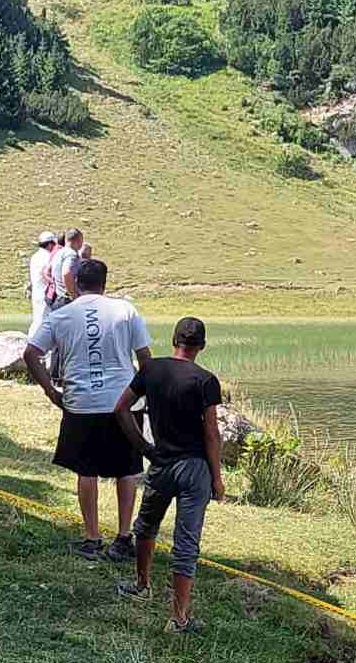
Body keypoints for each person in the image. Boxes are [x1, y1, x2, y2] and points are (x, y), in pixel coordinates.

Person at [24, 257, 152, 561]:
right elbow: (145, 358)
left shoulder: (62, 315)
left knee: (86, 469)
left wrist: (50, 391)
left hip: (81, 403)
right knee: (127, 469)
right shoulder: (125, 310)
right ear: (104, 284)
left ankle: (92, 538)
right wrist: (143, 394)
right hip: (123, 401)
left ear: (77, 284)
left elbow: (31, 353)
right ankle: (123, 538)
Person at [113, 317, 223, 635]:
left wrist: (145, 448)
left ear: (173, 341)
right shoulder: (206, 380)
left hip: (160, 463)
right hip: (194, 469)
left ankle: (142, 584)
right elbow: (212, 434)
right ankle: (178, 619)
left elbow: (121, 408)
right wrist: (217, 478)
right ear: (200, 346)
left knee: (146, 526)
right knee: (185, 542)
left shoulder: (151, 370)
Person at [30, 231, 59, 331]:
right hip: (45, 293)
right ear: (50, 244)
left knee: (37, 319)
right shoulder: (47, 257)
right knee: (42, 321)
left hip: (37, 292)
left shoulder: (35, 256)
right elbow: (46, 273)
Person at [50, 228, 84, 310]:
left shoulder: (59, 253)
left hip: (59, 298)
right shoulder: (71, 254)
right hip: (67, 301)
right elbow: (66, 273)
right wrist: (73, 296)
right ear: (78, 240)